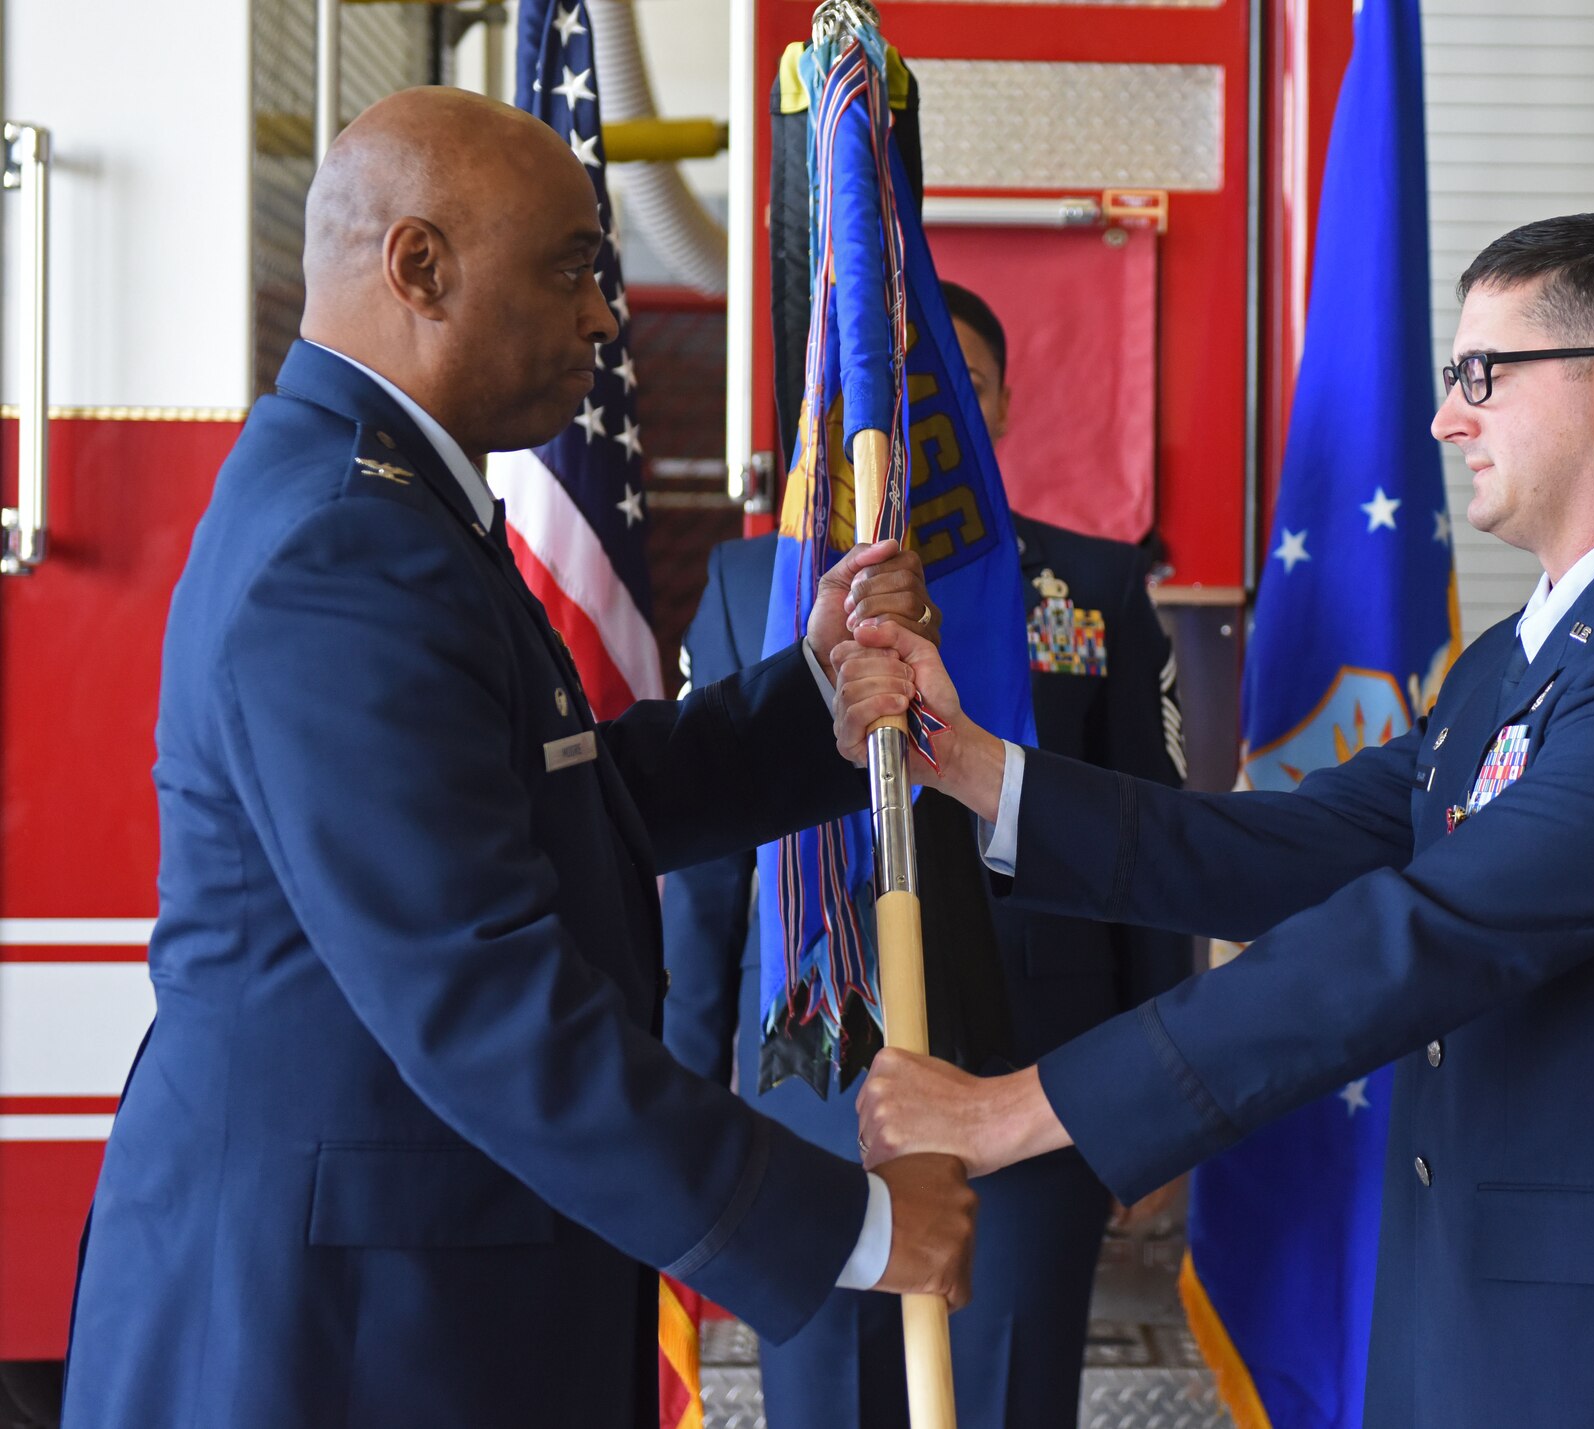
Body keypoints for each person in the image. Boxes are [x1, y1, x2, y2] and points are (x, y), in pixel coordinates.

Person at [837, 212, 1594, 1428]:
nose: (1446, 417)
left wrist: (1018, 1108)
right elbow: (1284, 850)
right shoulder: (1516, 662)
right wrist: (964, 764)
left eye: (1481, 376)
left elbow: (1420, 934)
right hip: (1476, 1332)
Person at [60, 88, 977, 1429]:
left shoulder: (383, 498)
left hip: (413, 1286)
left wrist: (813, 702)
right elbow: (477, 992)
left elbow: (557, 799)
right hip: (339, 1335)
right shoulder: (342, 547)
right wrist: (846, 1222)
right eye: (570, 269)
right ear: (418, 267)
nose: (606, 318)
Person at [661, 281, 1190, 1428]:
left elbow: (1152, 860)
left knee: (1004, 1398)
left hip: (1031, 1083)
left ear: (989, 412)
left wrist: (1155, 1105)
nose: (903, 421)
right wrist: (682, 1097)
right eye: (875, 392)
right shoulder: (752, 586)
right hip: (805, 1096)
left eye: (949, 392)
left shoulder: (1087, 591)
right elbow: (704, 876)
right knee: (821, 1402)